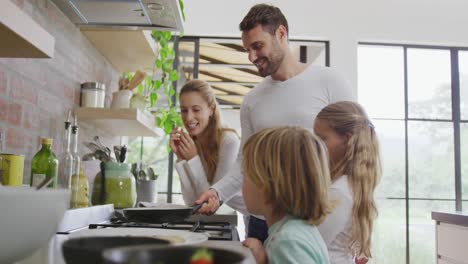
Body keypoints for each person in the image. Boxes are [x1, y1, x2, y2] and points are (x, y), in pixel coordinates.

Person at [195, 3, 354, 242]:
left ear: (281, 34)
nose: (251, 57)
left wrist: (358, 221)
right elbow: (244, 163)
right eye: (247, 49)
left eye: (258, 46)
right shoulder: (252, 100)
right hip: (262, 223)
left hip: (315, 220)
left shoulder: (329, 82)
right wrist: (218, 192)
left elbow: (357, 151)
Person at [241, 126, 333, 264]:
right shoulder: (293, 231)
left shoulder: (288, 242)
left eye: (245, 173)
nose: (242, 180)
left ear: (266, 183)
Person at [314, 101, 381, 264]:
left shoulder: (339, 193)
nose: (315, 146)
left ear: (347, 139)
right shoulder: (351, 186)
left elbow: (306, 246)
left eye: (322, 138)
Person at [169, 79, 248, 216]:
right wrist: (181, 159)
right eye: (184, 110)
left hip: (259, 216)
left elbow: (211, 203)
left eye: (196, 110)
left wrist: (193, 160)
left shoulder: (229, 142)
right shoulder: (195, 143)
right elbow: (192, 202)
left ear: (211, 109)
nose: (188, 117)